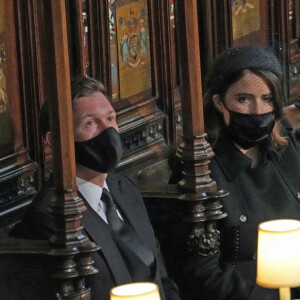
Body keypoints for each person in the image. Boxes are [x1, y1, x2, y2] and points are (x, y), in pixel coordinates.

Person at [10, 75, 181, 300]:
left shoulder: (124, 188)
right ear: (55, 139)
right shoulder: (49, 216)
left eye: (110, 118)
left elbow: (160, 275)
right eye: (90, 123)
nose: (107, 131)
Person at [168, 45, 300, 299]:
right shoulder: (200, 167)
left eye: (267, 99)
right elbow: (203, 274)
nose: (258, 111)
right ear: (219, 102)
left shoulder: (283, 144)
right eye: (243, 99)